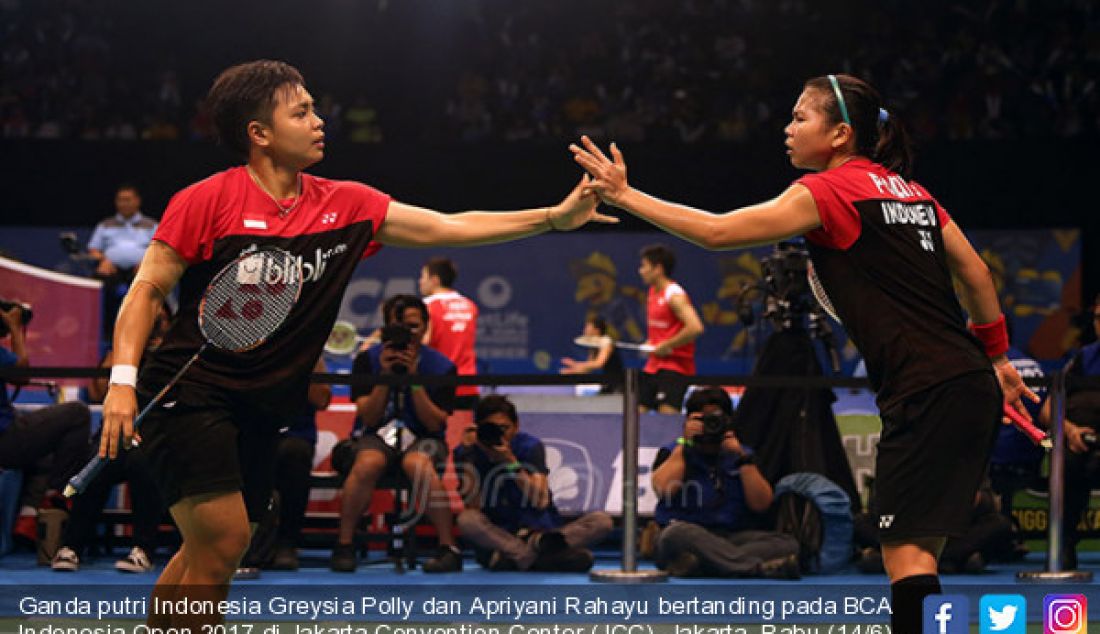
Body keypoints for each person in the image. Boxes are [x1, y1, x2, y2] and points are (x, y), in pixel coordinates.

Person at [98, 60, 611, 629]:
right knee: (224, 542)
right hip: (191, 392)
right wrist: (122, 382)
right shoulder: (207, 200)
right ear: (259, 134)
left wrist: (553, 219)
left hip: (263, 405)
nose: (320, 121)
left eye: (315, 108)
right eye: (302, 112)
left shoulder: (347, 204)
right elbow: (145, 290)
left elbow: (447, 226)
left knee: (210, 551)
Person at [572, 73, 1034, 632]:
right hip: (967, 381)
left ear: (839, 134)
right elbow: (978, 276)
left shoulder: (827, 191)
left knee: (906, 558)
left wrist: (625, 195)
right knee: (923, 553)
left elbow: (718, 233)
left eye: (799, 118)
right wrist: (1000, 359)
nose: (787, 129)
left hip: (925, 388)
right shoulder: (914, 193)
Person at [331, 295, 459, 572]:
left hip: (425, 438)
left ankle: (448, 547)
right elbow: (368, 416)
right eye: (398, 326)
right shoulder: (368, 361)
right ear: (385, 328)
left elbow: (436, 423)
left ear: (426, 327)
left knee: (418, 464)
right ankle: (344, 545)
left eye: (413, 326)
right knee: (368, 463)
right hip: (376, 434)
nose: (407, 334)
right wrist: (385, 377)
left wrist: (414, 381)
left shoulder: (442, 367)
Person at [51, 304, 172, 573]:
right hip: (114, 437)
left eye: (159, 318)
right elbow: (96, 393)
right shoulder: (124, 350)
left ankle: (142, 550)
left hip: (156, 440)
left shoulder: (173, 353)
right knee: (96, 463)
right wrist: (118, 355)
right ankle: (71, 547)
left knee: (144, 464)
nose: (152, 321)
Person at [650, 386, 800, 578]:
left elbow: (762, 505)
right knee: (675, 533)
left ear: (728, 421)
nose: (710, 425)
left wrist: (742, 459)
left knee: (787, 543)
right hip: (686, 534)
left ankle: (705, 563)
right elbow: (664, 490)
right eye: (702, 420)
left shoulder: (742, 454)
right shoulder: (673, 451)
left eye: (716, 419)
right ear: (689, 421)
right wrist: (685, 444)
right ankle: (756, 568)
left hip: (730, 536)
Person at [454, 394, 613, 571]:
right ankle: (542, 557)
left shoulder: (529, 446)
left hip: (542, 532)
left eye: (504, 428)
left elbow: (540, 500)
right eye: (492, 429)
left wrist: (510, 463)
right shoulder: (467, 452)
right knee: (466, 520)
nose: (500, 435)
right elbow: (473, 506)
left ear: (516, 427)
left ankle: (517, 558)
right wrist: (468, 455)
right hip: (501, 536)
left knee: (601, 521)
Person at [0, 302, 91, 514]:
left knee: (48, 446)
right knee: (77, 414)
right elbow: (21, 375)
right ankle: (57, 495)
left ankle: (29, 514)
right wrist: (14, 327)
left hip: (7, 432)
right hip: (4, 441)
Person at [1039, 293, 1100, 570]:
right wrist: (1070, 430)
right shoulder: (1082, 359)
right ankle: (1063, 547)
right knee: (1066, 465)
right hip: (1079, 443)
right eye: (1099, 319)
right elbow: (1047, 410)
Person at [637, 244, 704, 414]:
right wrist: (651, 343)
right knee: (634, 416)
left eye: (644, 266)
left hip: (675, 368)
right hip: (652, 366)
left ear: (658, 269)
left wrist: (667, 345)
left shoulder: (674, 294)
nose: (640, 270)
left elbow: (695, 327)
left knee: (666, 418)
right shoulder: (652, 292)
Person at [87, 184, 157, 338]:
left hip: (141, 271)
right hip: (111, 272)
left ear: (137, 201)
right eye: (120, 200)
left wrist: (146, 263)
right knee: (99, 281)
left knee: (151, 284)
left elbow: (159, 250)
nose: (124, 203)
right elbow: (93, 250)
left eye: (128, 199)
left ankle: (146, 333)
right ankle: (104, 334)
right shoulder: (105, 225)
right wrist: (103, 259)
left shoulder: (151, 225)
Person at [419, 257, 479, 409]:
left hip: (438, 386)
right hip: (468, 385)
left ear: (435, 280)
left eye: (423, 276)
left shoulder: (427, 306)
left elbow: (423, 342)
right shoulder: (469, 305)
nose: (420, 281)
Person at [560, 315, 624, 393]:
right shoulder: (593, 345)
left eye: (588, 327)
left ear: (596, 330)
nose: (585, 330)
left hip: (618, 384)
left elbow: (598, 363)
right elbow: (589, 368)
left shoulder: (606, 343)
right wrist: (572, 371)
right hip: (607, 383)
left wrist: (576, 364)